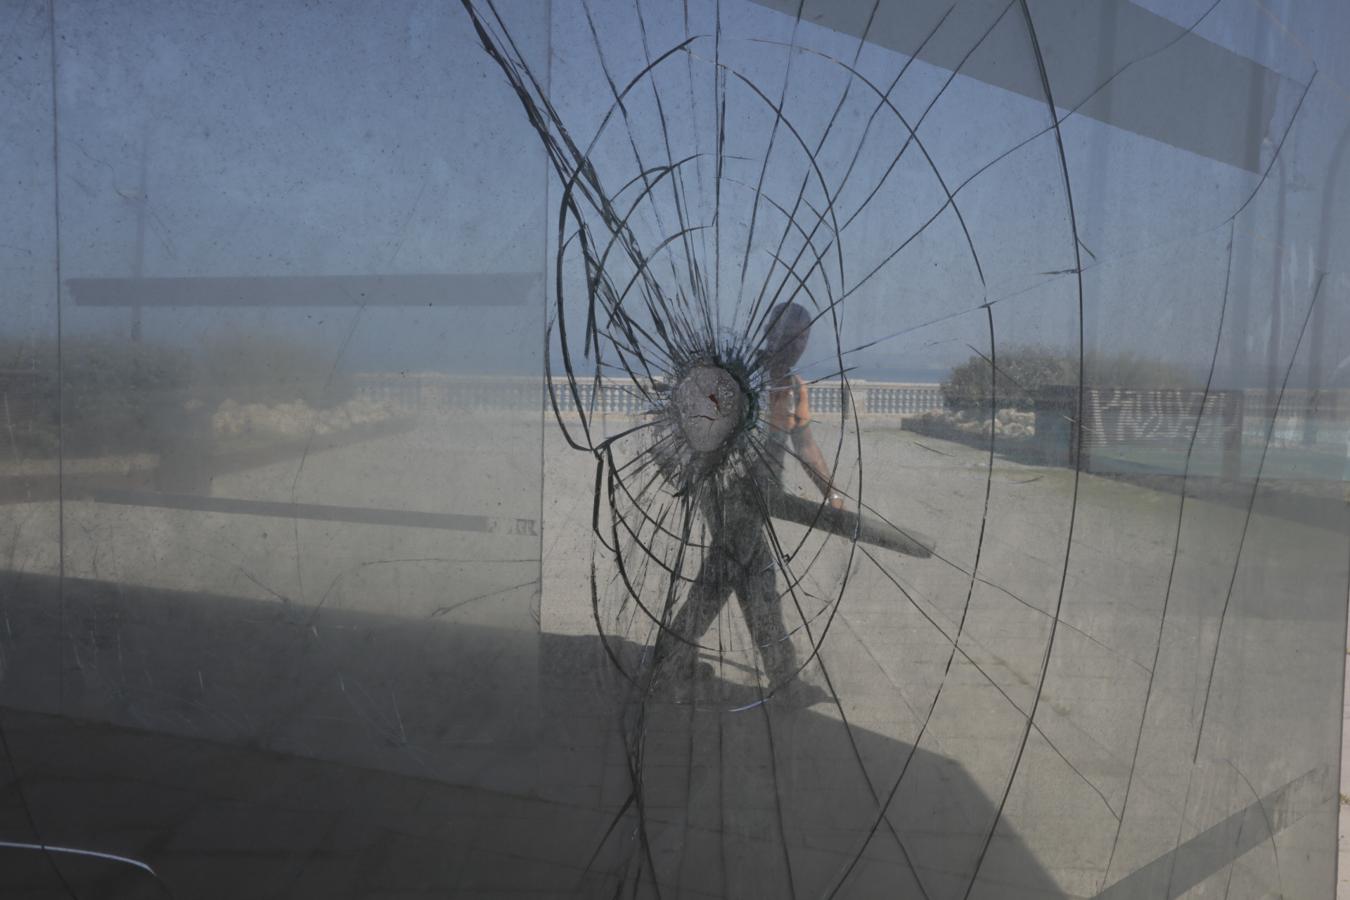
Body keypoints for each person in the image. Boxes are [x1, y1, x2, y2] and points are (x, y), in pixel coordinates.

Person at [651, 302, 844, 702]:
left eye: (804, 336)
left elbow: (805, 446)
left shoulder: (793, 387)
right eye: (790, 334)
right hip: (726, 491)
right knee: (743, 580)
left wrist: (832, 493)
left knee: (741, 580)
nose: (797, 344)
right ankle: (780, 680)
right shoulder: (738, 378)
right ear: (770, 333)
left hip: (763, 495)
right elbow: (697, 428)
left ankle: (672, 656)